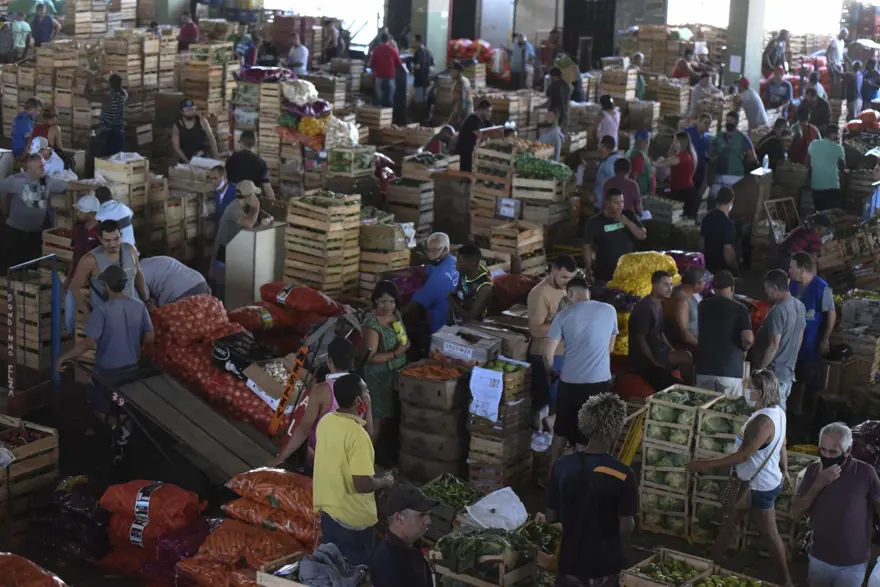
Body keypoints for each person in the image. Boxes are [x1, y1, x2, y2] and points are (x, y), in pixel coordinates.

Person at [686, 370, 792, 587]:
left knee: (770, 534)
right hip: (755, 481)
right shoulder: (778, 413)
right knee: (729, 521)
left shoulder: (762, 422)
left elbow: (743, 456)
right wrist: (786, 470)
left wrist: (705, 465)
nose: (745, 391)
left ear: (760, 392)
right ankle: (713, 563)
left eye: (749, 388)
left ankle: (786, 580)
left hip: (757, 487)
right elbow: (782, 445)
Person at [56, 264, 154, 451]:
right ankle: (126, 433)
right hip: (132, 370)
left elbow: (88, 343)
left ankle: (116, 428)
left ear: (107, 286)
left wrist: (64, 357)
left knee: (96, 401)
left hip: (106, 374)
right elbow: (150, 337)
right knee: (124, 405)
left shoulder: (102, 310)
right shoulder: (139, 306)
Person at [544, 393, 637, 587]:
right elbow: (626, 527)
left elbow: (551, 517)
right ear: (615, 431)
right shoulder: (624, 475)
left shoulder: (562, 467)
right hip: (605, 568)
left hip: (569, 565)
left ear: (585, 425)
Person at [313, 373, 394, 567]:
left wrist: (368, 408)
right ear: (358, 400)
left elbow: (366, 435)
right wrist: (385, 481)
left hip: (329, 513)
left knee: (332, 570)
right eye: (367, 391)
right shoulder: (357, 436)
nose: (369, 394)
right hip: (352, 521)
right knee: (354, 572)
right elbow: (362, 484)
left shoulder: (326, 421)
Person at [793, 422, 880, 587]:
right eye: (823, 450)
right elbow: (796, 511)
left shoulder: (865, 473)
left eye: (833, 452)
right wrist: (819, 483)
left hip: (853, 563)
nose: (827, 456)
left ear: (847, 451)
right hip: (819, 558)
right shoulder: (812, 472)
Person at [544, 276, 618, 468]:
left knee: (561, 429)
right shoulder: (610, 310)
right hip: (599, 382)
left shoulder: (563, 316)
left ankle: (553, 471)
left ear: (569, 293)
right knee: (589, 432)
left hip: (570, 383)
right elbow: (610, 348)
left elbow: (547, 354)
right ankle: (583, 473)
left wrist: (551, 370)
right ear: (588, 292)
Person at [269, 338, 370, 469]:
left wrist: (281, 458)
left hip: (319, 460)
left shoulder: (322, 391)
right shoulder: (364, 392)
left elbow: (304, 429)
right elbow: (369, 432)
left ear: (329, 361)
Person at [526, 256, 576, 414]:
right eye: (564, 277)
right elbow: (535, 330)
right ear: (553, 270)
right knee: (548, 406)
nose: (567, 282)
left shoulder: (567, 288)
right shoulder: (540, 293)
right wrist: (564, 323)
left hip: (564, 354)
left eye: (570, 278)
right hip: (545, 356)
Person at [362, 280, 409, 449]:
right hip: (379, 377)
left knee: (392, 417)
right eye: (383, 301)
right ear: (375, 300)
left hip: (397, 372)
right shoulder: (371, 324)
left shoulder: (396, 315)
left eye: (392, 301)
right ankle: (365, 454)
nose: (388, 306)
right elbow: (370, 357)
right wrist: (397, 353)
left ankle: (383, 451)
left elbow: (403, 338)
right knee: (377, 419)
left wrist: (405, 345)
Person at [751, 269, 806, 410]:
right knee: (779, 413)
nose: (766, 293)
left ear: (775, 288)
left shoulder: (778, 311)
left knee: (771, 415)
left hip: (774, 376)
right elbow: (800, 338)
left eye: (767, 289)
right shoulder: (800, 306)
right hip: (788, 373)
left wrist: (759, 371)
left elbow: (773, 346)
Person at [628, 271, 695, 386]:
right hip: (647, 357)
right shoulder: (645, 307)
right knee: (686, 356)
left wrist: (670, 348)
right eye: (665, 284)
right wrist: (654, 363)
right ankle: (690, 388)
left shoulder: (658, 303)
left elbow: (660, 331)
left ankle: (687, 386)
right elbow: (640, 339)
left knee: (685, 354)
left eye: (671, 284)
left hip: (659, 350)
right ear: (654, 285)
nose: (669, 289)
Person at [0, 153, 67, 268]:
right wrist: (3, 210)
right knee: (10, 267)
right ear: (30, 168)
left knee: (32, 267)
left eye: (44, 165)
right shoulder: (16, 181)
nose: (44, 169)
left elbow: (68, 186)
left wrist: (92, 185)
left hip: (34, 234)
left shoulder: (47, 181)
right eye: (40, 166)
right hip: (15, 233)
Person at [788, 252, 835, 415]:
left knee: (809, 379)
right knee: (793, 377)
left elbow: (831, 313)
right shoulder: (792, 285)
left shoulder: (822, 287)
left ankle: (808, 416)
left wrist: (825, 338)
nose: (789, 270)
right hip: (793, 343)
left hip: (811, 344)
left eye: (792, 267)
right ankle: (792, 411)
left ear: (802, 270)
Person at [69, 220, 148, 317]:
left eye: (116, 239)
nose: (113, 244)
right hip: (107, 317)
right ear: (100, 239)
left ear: (121, 235)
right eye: (107, 240)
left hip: (132, 314)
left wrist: (145, 300)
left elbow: (138, 274)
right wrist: (89, 314)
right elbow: (75, 287)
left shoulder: (130, 250)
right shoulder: (90, 260)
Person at [696, 270, 753, 396]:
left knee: (703, 406)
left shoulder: (702, 306)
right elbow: (748, 339)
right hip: (730, 371)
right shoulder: (740, 308)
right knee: (727, 407)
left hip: (704, 369)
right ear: (732, 288)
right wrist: (744, 349)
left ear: (713, 288)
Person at [370, 484, 436, 587]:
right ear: (398, 519)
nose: (428, 521)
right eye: (422, 515)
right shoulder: (395, 567)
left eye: (428, 514)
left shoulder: (402, 548)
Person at [583, 189, 646, 283]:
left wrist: (626, 221)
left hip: (628, 271)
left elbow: (642, 236)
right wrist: (588, 269)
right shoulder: (594, 222)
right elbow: (587, 247)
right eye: (616, 203)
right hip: (605, 273)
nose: (620, 206)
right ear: (607, 203)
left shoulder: (629, 215)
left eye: (622, 202)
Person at [211, 180, 263, 293]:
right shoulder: (234, 209)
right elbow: (249, 224)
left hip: (230, 252)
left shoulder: (239, 206)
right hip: (223, 255)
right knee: (222, 291)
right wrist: (256, 209)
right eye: (254, 195)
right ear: (249, 197)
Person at [406, 232, 459, 335]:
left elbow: (415, 304)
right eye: (428, 250)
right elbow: (427, 269)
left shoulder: (438, 279)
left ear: (445, 249)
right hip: (454, 318)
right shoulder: (453, 261)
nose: (430, 253)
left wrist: (396, 315)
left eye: (435, 250)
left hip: (441, 325)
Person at [709, 111, 756, 194]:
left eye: (731, 120)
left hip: (736, 177)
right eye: (727, 120)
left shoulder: (743, 138)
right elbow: (712, 156)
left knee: (733, 200)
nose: (729, 123)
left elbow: (752, 158)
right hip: (719, 175)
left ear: (737, 122)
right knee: (714, 198)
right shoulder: (719, 137)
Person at [140, 256, 210, 306]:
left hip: (181, 292)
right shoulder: (152, 261)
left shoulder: (138, 272)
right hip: (200, 282)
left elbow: (146, 302)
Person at [224, 131, 275, 200]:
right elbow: (267, 189)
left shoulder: (230, 160)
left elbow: (225, 183)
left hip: (232, 200)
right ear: (255, 144)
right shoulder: (261, 163)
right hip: (251, 202)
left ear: (241, 142)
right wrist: (274, 203)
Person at [450, 245, 493, 324]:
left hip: (474, 328)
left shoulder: (485, 287)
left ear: (473, 263)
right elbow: (458, 294)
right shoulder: (464, 272)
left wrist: (452, 302)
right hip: (457, 321)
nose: (456, 264)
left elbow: (470, 319)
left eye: (460, 262)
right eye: (457, 260)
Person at [664, 267, 705, 349]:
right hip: (688, 346)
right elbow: (685, 335)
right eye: (703, 281)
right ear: (697, 284)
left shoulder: (692, 294)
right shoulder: (681, 302)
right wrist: (704, 347)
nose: (705, 284)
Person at [806, 124, 845, 211]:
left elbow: (807, 163)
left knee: (819, 212)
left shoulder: (813, 144)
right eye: (838, 134)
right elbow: (842, 167)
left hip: (815, 186)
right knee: (831, 213)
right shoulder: (838, 148)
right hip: (832, 186)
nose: (838, 136)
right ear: (833, 134)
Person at [701, 186, 738, 274]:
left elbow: (701, 242)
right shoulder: (728, 224)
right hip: (720, 269)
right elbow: (727, 252)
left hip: (707, 265)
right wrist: (734, 269)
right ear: (731, 202)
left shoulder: (706, 217)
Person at [665, 131, 699, 219]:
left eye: (675, 141)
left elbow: (668, 162)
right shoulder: (690, 154)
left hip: (682, 194)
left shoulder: (681, 157)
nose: (673, 144)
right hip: (687, 192)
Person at [453, 99, 492, 172]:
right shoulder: (472, 120)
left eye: (490, 111)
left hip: (472, 155)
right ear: (480, 110)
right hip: (465, 157)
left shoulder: (483, 121)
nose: (489, 114)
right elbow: (481, 136)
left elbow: (493, 128)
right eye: (487, 111)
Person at [95, 73, 127, 157]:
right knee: (116, 160)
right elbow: (120, 88)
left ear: (110, 84)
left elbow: (86, 95)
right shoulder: (123, 95)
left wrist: (89, 80)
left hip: (107, 135)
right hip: (119, 134)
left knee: (102, 160)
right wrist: (107, 82)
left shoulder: (107, 98)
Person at [369, 33, 401, 108]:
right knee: (390, 94)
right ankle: (390, 107)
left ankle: (380, 106)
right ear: (388, 41)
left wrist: (374, 71)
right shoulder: (392, 50)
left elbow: (371, 64)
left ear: (380, 40)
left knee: (379, 92)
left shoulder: (376, 50)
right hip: (390, 76)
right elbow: (399, 63)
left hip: (379, 75)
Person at [590, 135, 622, 209]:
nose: (597, 148)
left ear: (603, 146)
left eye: (599, 145)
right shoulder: (616, 158)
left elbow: (615, 183)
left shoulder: (609, 163)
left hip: (603, 205)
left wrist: (597, 197)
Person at [684, 113, 712, 190]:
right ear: (698, 122)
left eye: (709, 124)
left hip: (699, 172)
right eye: (705, 123)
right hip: (688, 171)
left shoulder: (706, 138)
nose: (707, 126)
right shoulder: (688, 133)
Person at [410, 35, 433, 122]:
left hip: (419, 80)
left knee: (419, 101)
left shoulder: (419, 52)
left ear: (418, 42)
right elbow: (432, 63)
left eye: (414, 41)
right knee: (424, 100)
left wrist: (412, 68)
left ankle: (418, 120)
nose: (412, 43)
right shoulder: (428, 51)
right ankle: (425, 118)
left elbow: (418, 66)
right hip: (426, 79)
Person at [448, 61, 473, 126]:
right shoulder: (456, 81)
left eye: (453, 71)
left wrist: (459, 115)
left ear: (458, 72)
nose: (451, 73)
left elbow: (463, 100)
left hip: (464, 112)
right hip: (457, 109)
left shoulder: (463, 82)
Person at [826, 28, 848, 97]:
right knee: (834, 83)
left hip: (839, 65)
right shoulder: (834, 41)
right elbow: (827, 53)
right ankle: (832, 97)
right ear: (841, 33)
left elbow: (841, 54)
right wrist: (829, 64)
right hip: (833, 65)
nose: (846, 37)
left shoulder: (842, 42)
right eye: (845, 35)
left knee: (839, 83)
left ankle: (837, 98)